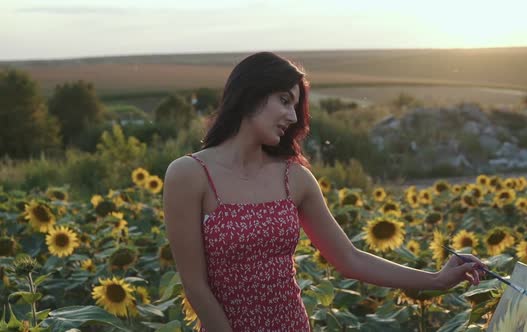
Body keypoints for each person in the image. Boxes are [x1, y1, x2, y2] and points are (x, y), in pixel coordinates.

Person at [162, 51, 486, 332]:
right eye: (285, 101)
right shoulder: (189, 175)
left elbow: (348, 258)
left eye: (296, 106)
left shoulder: (295, 178)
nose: (292, 117)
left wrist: (436, 280)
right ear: (250, 94)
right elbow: (195, 285)